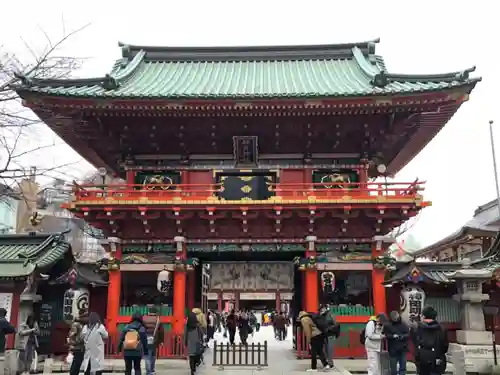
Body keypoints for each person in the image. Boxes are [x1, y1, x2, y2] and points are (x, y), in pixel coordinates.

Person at [412, 307, 448, 375]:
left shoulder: (417, 328)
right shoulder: (442, 329)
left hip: (422, 360)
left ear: (424, 316)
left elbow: (415, 343)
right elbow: (445, 346)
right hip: (437, 359)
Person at [142, 306, 164, 375]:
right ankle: (152, 370)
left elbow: (141, 329)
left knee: (147, 356)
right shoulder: (157, 319)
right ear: (155, 312)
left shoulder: (143, 318)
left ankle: (148, 371)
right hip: (154, 339)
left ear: (149, 312)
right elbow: (161, 331)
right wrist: (161, 341)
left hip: (145, 339)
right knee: (153, 355)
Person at [68, 309, 89, 375]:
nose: (87, 317)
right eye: (85, 316)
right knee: (76, 365)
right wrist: (80, 340)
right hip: (78, 348)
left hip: (84, 348)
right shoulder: (76, 324)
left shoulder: (85, 324)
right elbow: (72, 337)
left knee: (87, 365)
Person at [320, 305, 340, 369]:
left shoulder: (331, 314)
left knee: (329, 350)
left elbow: (336, 324)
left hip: (331, 335)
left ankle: (331, 364)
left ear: (325, 308)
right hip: (325, 335)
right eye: (321, 310)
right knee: (326, 350)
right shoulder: (323, 316)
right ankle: (328, 363)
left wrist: (329, 329)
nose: (321, 310)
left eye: (322, 309)